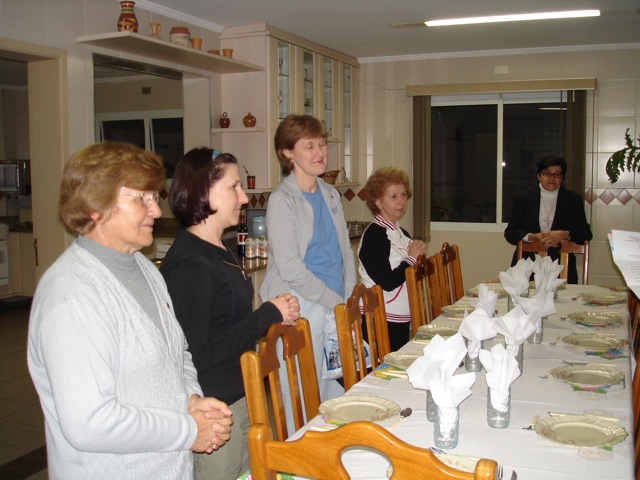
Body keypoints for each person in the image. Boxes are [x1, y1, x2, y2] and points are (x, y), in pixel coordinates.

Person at [27, 142, 233, 480]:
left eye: (154, 197)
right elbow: (89, 423)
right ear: (96, 207)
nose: (156, 210)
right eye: (142, 198)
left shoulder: (143, 267)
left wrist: (190, 399)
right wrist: (187, 429)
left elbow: (175, 352)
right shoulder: (73, 296)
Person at [160, 148, 299, 480]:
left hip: (242, 393)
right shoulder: (191, 264)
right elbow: (197, 355)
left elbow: (229, 323)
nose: (244, 197)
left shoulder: (217, 248)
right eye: (234, 187)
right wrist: (265, 315)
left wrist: (272, 316)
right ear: (202, 193)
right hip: (216, 408)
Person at [259, 114, 356, 404]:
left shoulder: (330, 194)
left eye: (322, 144)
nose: (320, 152)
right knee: (302, 393)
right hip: (301, 306)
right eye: (309, 146)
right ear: (288, 153)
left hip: (335, 302)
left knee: (337, 389)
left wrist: (347, 298)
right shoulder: (281, 200)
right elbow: (291, 268)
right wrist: (334, 302)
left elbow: (344, 253)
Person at [358, 167, 427, 351]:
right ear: (378, 201)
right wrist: (411, 259)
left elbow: (411, 274)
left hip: (401, 314)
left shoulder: (401, 232)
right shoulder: (374, 236)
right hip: (381, 317)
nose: (401, 201)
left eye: (403, 194)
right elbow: (387, 282)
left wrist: (420, 261)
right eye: (393, 196)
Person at [504, 155, 593, 284]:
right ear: (539, 176)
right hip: (527, 266)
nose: (552, 178)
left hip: (562, 268)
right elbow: (510, 234)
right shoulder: (522, 199)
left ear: (562, 178)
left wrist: (564, 234)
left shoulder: (573, 200)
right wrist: (532, 237)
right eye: (547, 173)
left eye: (557, 174)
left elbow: (586, 234)